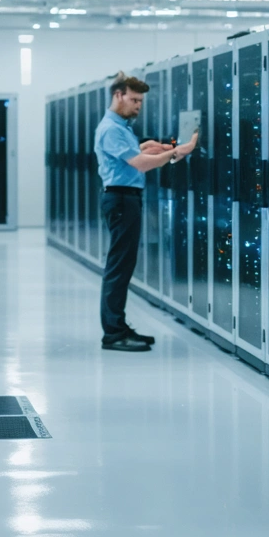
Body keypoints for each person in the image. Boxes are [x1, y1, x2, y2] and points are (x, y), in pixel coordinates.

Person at [94, 72, 198, 352]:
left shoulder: (120, 126)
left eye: (141, 101)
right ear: (118, 95)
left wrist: (149, 148)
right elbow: (139, 164)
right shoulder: (113, 128)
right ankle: (114, 333)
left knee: (122, 266)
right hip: (121, 200)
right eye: (134, 100)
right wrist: (177, 152)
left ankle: (119, 326)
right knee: (118, 268)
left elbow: (131, 156)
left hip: (124, 199)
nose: (138, 105)